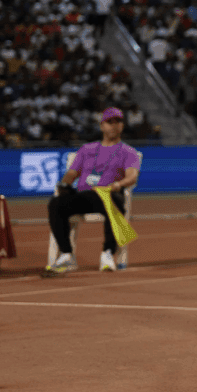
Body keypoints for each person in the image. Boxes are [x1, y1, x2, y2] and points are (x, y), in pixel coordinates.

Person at [42, 107, 141, 276]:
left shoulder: (128, 152)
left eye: (118, 122)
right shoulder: (87, 149)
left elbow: (132, 177)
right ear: (102, 126)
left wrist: (117, 185)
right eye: (110, 122)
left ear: (122, 126)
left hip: (108, 194)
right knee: (56, 204)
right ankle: (66, 254)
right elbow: (72, 174)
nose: (114, 126)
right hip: (84, 196)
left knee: (114, 202)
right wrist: (64, 185)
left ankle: (107, 253)